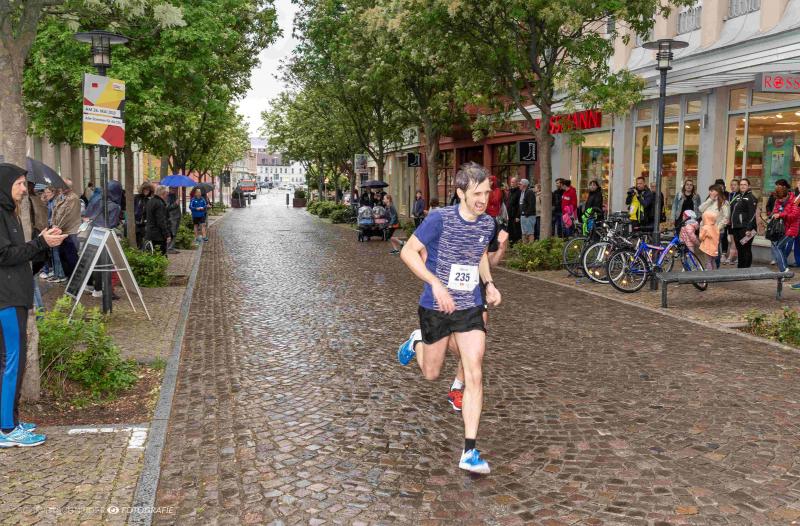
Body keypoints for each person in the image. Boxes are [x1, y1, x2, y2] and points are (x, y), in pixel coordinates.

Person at [397, 161, 500, 474]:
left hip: (469, 306)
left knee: (475, 371)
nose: (483, 199)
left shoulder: (488, 224)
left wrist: (489, 283)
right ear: (460, 193)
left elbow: (480, 255)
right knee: (431, 373)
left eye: (487, 193)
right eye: (477, 193)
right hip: (436, 306)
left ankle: (469, 451)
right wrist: (435, 283)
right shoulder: (439, 219)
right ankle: (416, 341)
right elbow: (408, 252)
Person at [0, 164, 66, 447]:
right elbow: (5, 255)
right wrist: (41, 243)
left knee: (11, 360)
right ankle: (6, 429)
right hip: (7, 297)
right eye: (18, 184)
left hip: (14, 294)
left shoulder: (9, 212)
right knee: (12, 361)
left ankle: (10, 419)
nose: (24, 189)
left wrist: (42, 243)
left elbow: (18, 252)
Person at [84, 180, 123, 299]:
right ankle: (105, 290)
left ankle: (95, 288)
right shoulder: (115, 207)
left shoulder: (96, 199)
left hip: (92, 234)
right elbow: (111, 224)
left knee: (94, 262)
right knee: (106, 264)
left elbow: (87, 214)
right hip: (105, 237)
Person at [51, 178, 81, 279]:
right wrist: (53, 225)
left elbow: (68, 216)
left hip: (69, 232)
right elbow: (55, 212)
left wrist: (57, 227)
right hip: (61, 232)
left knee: (71, 258)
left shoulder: (73, 198)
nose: (61, 187)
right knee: (63, 257)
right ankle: (69, 278)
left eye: (63, 186)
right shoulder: (61, 197)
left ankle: (75, 280)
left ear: (68, 187)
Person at [769, 179, 800, 273]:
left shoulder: (795, 200)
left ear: (786, 195)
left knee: (778, 246)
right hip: (781, 229)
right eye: (779, 199)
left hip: (791, 229)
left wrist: (780, 214)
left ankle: (784, 270)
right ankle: (784, 269)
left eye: (782, 199)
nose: (780, 200)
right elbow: (775, 211)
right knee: (778, 248)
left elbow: (794, 215)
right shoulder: (777, 200)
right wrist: (775, 214)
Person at [699, 184, 730, 268]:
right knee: (706, 251)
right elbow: (700, 209)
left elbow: (726, 218)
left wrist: (717, 228)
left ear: (717, 191)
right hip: (705, 230)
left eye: (712, 190)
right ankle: (709, 268)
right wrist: (710, 200)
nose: (710, 192)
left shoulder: (724, 202)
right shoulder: (709, 200)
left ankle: (715, 268)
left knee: (714, 251)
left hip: (717, 231)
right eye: (709, 190)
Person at [729, 178, 757, 268]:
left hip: (746, 229)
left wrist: (749, 229)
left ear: (749, 186)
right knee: (740, 249)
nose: (742, 186)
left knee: (746, 249)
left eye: (745, 184)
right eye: (741, 184)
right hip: (737, 228)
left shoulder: (751, 198)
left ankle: (746, 269)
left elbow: (752, 215)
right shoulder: (738, 197)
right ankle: (740, 268)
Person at [145, 185, 171, 255]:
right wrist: (167, 234)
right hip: (158, 235)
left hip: (150, 233)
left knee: (153, 254)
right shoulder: (159, 203)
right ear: (163, 193)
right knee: (161, 254)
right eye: (167, 193)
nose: (167, 195)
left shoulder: (150, 201)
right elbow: (161, 221)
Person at [724, 179, 740, 265]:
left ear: (738, 186)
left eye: (735, 185)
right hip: (729, 221)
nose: (733, 186)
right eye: (731, 185)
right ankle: (736, 256)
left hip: (737, 221)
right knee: (732, 239)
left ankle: (730, 257)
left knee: (734, 240)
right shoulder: (729, 195)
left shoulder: (740, 196)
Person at [134, 182, 153, 249]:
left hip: (144, 224)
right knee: (137, 239)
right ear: (142, 189)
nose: (146, 191)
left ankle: (142, 251)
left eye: (148, 190)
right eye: (145, 189)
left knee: (144, 240)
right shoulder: (137, 197)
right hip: (136, 222)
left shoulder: (149, 200)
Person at [519, 179, 536, 243]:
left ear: (524, 185)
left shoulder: (530, 192)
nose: (519, 185)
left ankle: (530, 247)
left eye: (520, 184)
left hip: (529, 216)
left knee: (530, 233)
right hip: (523, 215)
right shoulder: (522, 192)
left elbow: (532, 204)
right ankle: (524, 246)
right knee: (524, 233)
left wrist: (527, 213)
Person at [507, 177, 521, 244]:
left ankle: (516, 244)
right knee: (510, 229)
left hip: (515, 214)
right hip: (510, 213)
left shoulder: (519, 192)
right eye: (511, 182)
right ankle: (511, 243)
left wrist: (518, 216)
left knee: (516, 230)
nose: (511, 183)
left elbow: (519, 205)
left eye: (513, 182)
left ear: (516, 183)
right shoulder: (510, 191)